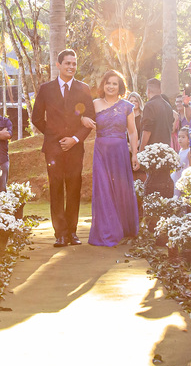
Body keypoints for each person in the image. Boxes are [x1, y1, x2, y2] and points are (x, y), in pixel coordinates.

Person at [31, 49, 95, 247]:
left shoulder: (84, 89)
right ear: (58, 65)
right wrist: (53, 136)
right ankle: (60, 233)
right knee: (56, 188)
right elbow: (36, 118)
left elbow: (90, 120)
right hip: (53, 148)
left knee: (74, 188)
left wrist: (75, 139)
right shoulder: (46, 89)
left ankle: (72, 233)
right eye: (67, 63)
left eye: (74, 63)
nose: (71, 67)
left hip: (76, 148)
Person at [83, 69, 140, 247]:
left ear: (120, 86)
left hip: (120, 152)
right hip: (101, 152)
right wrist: (83, 118)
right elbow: (82, 118)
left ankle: (124, 227)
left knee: (121, 189)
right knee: (104, 189)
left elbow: (132, 131)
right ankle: (107, 231)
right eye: (108, 83)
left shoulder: (126, 106)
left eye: (115, 83)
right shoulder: (95, 104)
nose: (111, 86)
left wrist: (135, 154)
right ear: (103, 85)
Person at [138, 77, 174, 149]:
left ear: (148, 91)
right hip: (166, 148)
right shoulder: (168, 106)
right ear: (161, 91)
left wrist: (141, 150)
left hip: (152, 150)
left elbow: (147, 130)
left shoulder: (149, 105)